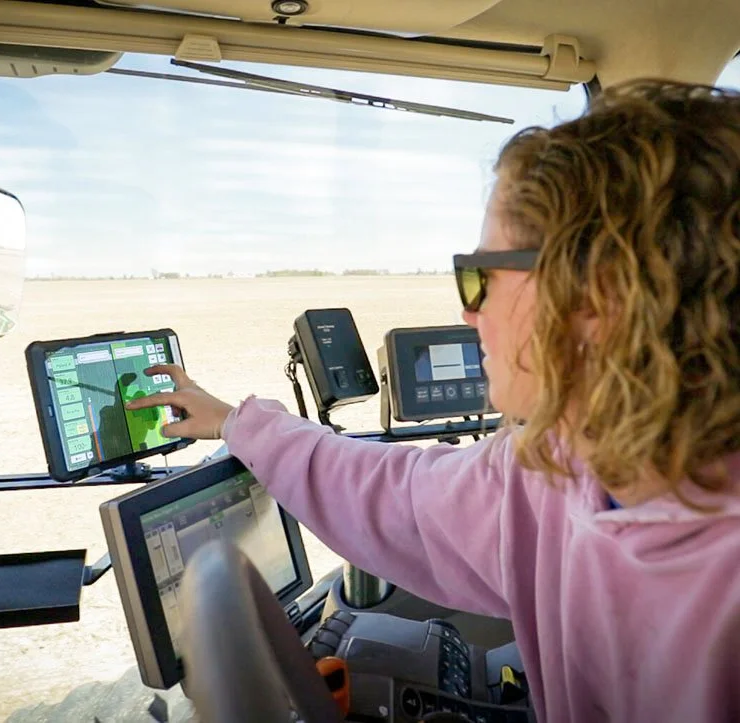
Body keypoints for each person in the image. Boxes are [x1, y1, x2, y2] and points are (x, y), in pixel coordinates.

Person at [127, 79, 740, 722]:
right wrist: (237, 423)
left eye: (479, 278)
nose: (468, 313)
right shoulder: (555, 468)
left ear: (595, 293)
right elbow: (393, 496)